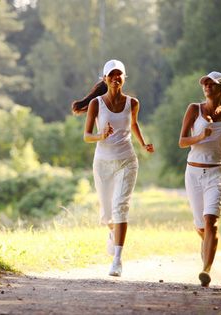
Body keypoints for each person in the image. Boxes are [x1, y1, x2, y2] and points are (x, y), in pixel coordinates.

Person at [72, 59, 154, 277]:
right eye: (112, 74)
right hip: (103, 163)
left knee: (121, 207)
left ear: (124, 77)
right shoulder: (96, 104)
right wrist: (102, 135)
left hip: (127, 160)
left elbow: (134, 124)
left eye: (120, 74)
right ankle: (111, 232)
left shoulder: (132, 103)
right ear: (105, 78)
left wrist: (143, 144)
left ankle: (117, 259)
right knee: (107, 216)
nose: (116, 78)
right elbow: (87, 136)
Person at [178, 71, 221, 287]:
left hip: (218, 173)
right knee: (201, 226)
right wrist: (200, 137)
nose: (207, 86)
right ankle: (206, 245)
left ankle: (206, 270)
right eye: (205, 83)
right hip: (194, 174)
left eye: (212, 84)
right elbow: (182, 141)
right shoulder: (193, 109)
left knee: (211, 223)